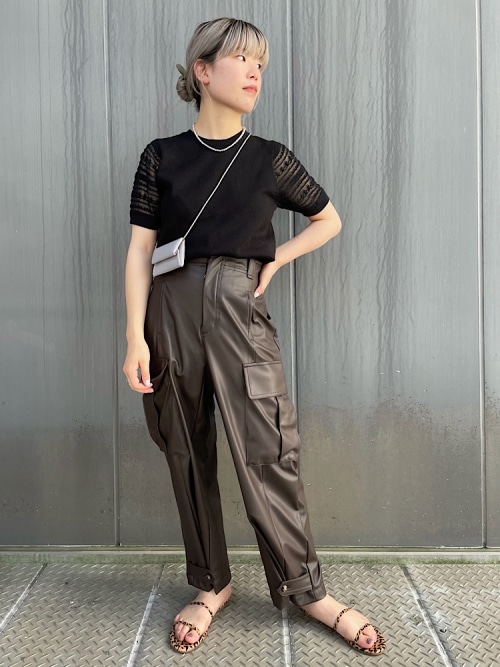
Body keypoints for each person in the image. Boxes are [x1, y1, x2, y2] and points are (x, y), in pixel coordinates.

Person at [123, 17, 385, 657]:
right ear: (203, 70)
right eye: (241, 59)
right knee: (185, 450)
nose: (254, 72)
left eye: (260, 63)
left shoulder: (270, 158)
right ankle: (210, 584)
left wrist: (275, 260)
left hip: (241, 311)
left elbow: (328, 219)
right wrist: (135, 338)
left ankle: (308, 590)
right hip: (170, 313)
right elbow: (139, 251)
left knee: (269, 449)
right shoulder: (161, 156)